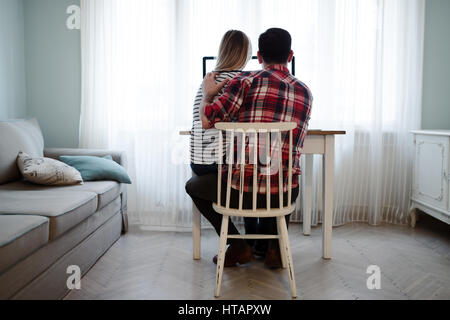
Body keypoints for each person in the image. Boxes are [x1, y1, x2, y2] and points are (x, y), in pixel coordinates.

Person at [185, 28, 312, 269]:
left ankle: (239, 243)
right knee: (280, 177)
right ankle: (274, 248)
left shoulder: (244, 82)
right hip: (284, 195)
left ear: (260, 57)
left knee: (200, 184)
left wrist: (208, 93)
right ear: (291, 55)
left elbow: (207, 120)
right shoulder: (306, 92)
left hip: (243, 192)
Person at [190, 30, 252, 176]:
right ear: (246, 54)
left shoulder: (207, 80)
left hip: (197, 162)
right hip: (219, 162)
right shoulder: (239, 80)